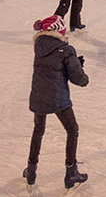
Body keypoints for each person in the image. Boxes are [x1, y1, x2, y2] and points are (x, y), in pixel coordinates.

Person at [25, 15, 89, 189]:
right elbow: (79, 79)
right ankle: (71, 172)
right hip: (58, 97)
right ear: (59, 30)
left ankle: (31, 171)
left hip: (38, 95)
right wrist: (80, 68)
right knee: (72, 130)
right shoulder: (66, 50)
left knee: (38, 129)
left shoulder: (38, 46)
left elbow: (53, 67)